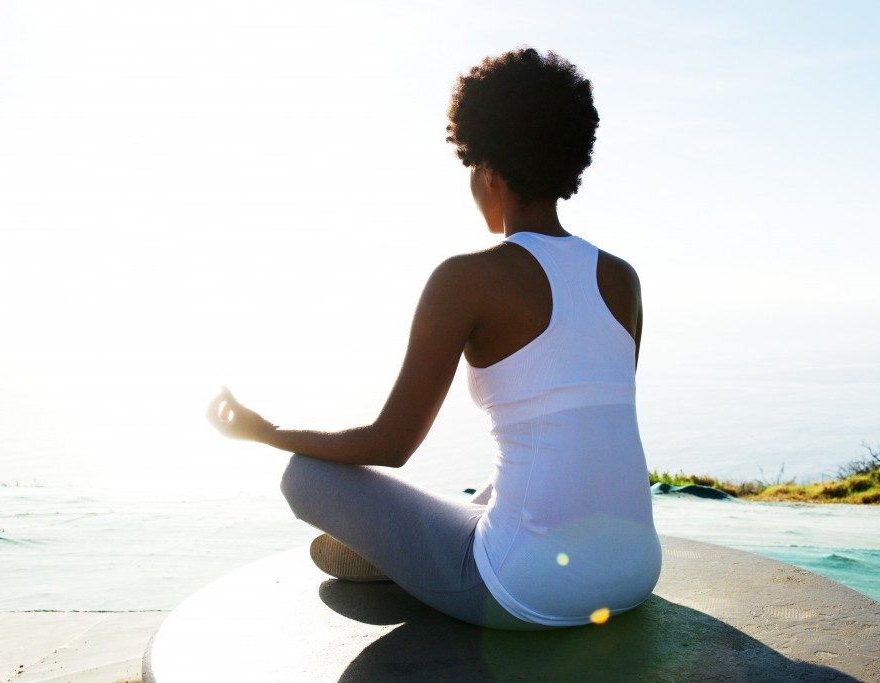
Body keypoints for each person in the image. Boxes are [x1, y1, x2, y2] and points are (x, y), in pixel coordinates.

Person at [206, 47, 662, 630]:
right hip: (637, 571)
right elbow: (593, 432)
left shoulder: (467, 278)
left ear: (489, 170)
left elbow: (390, 443)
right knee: (518, 468)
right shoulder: (623, 279)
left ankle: (404, 557)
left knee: (304, 474)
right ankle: (413, 549)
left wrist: (266, 433)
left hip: (528, 592)